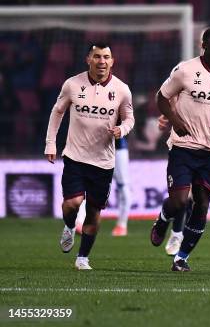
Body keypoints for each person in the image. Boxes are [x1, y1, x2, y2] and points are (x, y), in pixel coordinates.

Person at [150, 27, 210, 272]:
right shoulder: (184, 69)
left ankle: (181, 257)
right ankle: (163, 219)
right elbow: (161, 97)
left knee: (202, 204)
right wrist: (174, 120)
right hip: (183, 147)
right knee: (180, 202)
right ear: (204, 44)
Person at [45, 43, 134, 270]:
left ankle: (83, 258)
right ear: (88, 59)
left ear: (112, 61)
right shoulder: (73, 84)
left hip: (103, 161)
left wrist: (121, 130)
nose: (101, 61)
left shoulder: (122, 90)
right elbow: (57, 112)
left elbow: (129, 119)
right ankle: (68, 226)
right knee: (72, 203)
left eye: (106, 57)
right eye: (97, 56)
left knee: (94, 211)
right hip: (75, 156)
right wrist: (50, 143)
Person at [157, 111, 193, 256]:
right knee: (183, 199)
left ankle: (176, 232)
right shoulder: (186, 88)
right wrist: (167, 114)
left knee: (194, 199)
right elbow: (171, 94)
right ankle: (176, 234)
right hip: (183, 146)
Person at [111, 136, 131, 236]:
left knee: (123, 186)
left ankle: (122, 225)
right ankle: (81, 221)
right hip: (100, 149)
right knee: (89, 184)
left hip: (118, 149)